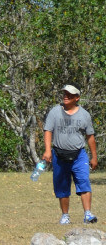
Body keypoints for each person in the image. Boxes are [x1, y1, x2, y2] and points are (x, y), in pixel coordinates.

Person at [43, 85, 98, 225]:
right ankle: (65, 216)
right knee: (62, 186)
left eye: (69, 94)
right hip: (59, 155)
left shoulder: (84, 115)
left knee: (83, 182)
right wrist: (48, 150)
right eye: (64, 94)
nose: (66, 96)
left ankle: (87, 214)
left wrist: (94, 157)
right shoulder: (55, 112)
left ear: (77, 98)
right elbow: (48, 130)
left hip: (79, 155)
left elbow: (90, 136)